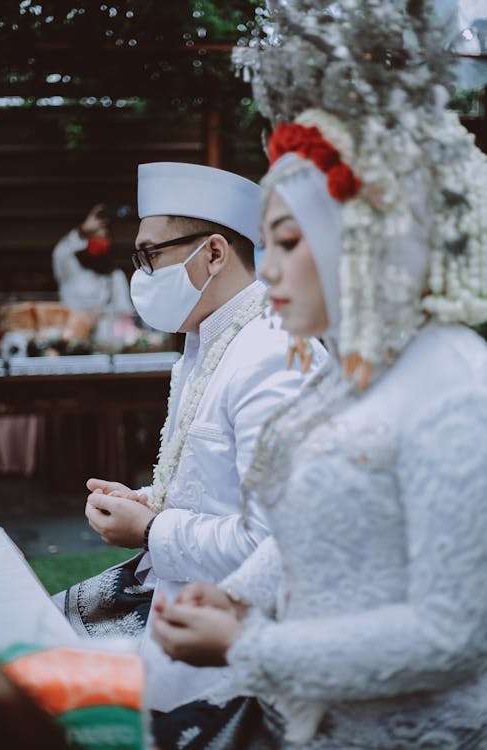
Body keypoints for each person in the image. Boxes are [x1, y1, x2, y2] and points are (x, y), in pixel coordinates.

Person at [152, 3, 487, 748]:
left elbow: (453, 633)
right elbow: (319, 527)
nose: (265, 269)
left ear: (362, 236)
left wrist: (250, 647)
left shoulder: (454, 385)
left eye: (289, 241)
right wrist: (235, 597)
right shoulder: (356, 371)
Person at [55, 161, 326, 717]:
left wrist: (152, 529)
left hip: (233, 621)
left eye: (150, 256)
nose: (141, 274)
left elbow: (281, 545)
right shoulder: (206, 342)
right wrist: (150, 499)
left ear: (215, 253)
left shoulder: (274, 355)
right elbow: (216, 485)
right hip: (180, 588)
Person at [52, 203, 134, 343]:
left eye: (105, 237)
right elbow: (60, 253)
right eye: (94, 237)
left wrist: (102, 316)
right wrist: (83, 231)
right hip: (71, 340)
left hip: (105, 346)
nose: (100, 242)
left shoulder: (115, 276)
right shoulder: (71, 268)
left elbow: (124, 315)